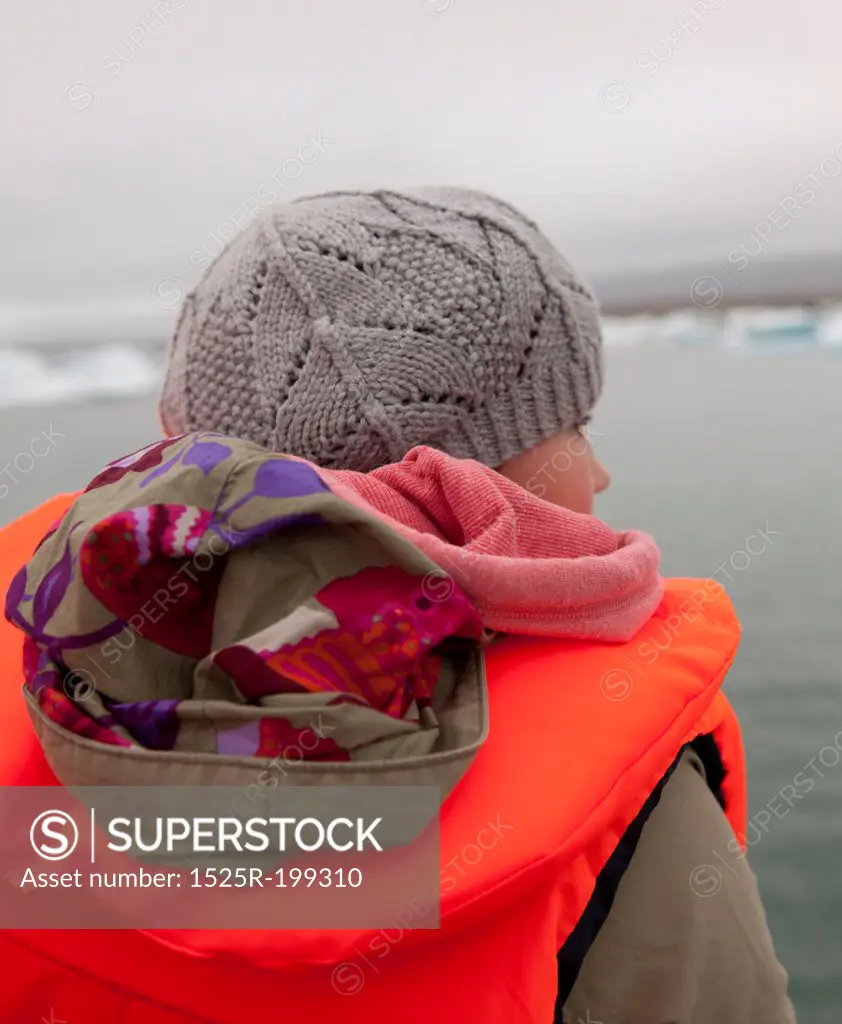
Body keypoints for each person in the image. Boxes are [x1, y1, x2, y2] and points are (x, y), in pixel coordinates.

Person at [0, 187, 795, 1022]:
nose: (600, 476)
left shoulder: (52, 678)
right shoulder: (623, 815)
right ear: (463, 490)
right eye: (576, 427)